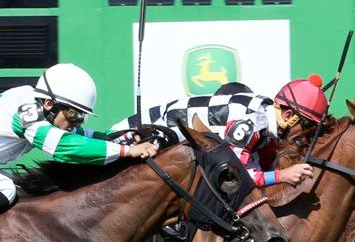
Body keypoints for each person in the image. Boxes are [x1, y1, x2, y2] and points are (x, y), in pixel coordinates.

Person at [110, 75, 329, 188]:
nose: (307, 132)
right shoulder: (253, 122)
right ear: (289, 116)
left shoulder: (264, 114)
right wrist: (283, 175)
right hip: (132, 137)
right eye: (307, 125)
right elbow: (237, 177)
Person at [0, 63, 158, 212]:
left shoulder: (42, 111)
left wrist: (127, 136)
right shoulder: (25, 110)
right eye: (72, 114)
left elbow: (87, 138)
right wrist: (127, 151)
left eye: (81, 117)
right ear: (49, 103)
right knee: (7, 189)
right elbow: (63, 146)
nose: (76, 123)